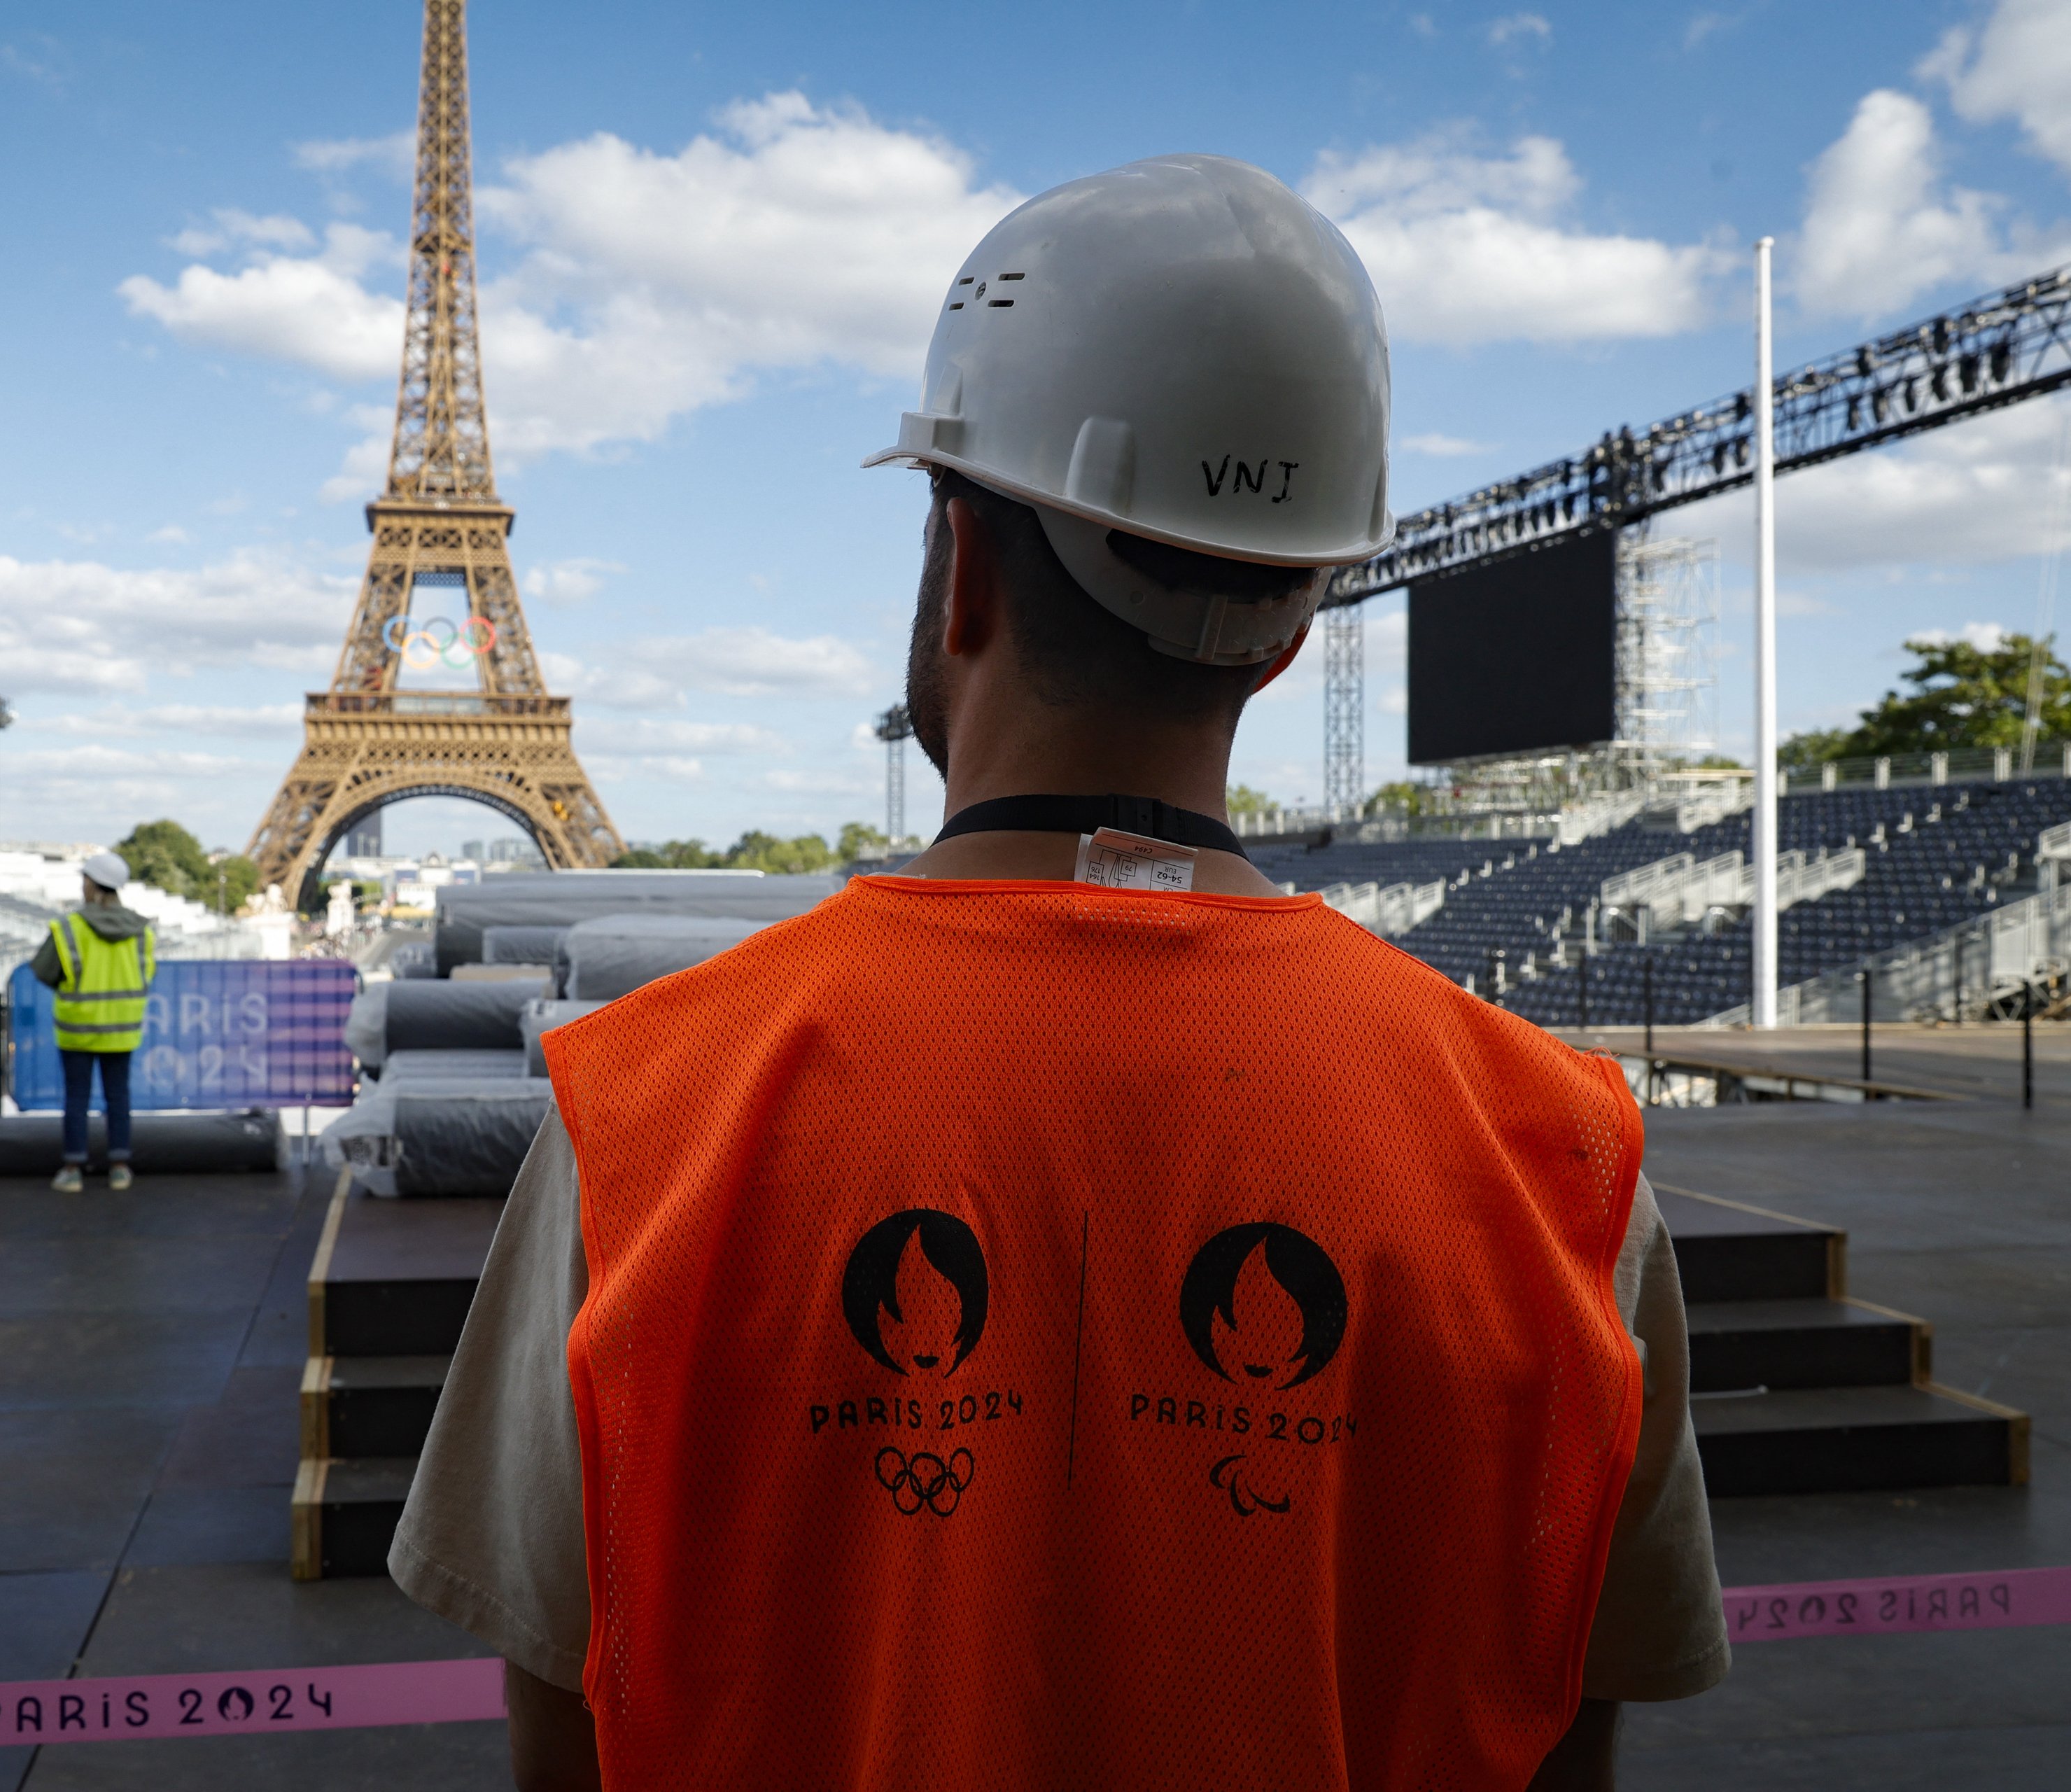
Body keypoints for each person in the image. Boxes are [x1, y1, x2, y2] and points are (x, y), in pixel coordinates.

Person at [388, 156, 1727, 1792]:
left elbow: (565, 1730)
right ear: (1290, 620)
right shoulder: (1562, 1160)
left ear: (957, 559)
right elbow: (1563, 1738)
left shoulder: (643, 1113)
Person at [31, 849, 154, 1194]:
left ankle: (73, 1168)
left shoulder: (70, 928)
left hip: (78, 1030)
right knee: (118, 1096)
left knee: (77, 1098)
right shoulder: (142, 930)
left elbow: (44, 971)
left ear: (93, 884)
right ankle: (119, 1167)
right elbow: (147, 974)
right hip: (123, 1029)